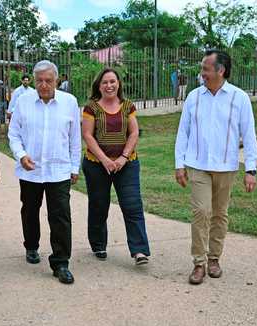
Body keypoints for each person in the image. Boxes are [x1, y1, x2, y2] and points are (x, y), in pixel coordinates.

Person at [174, 50, 257, 285]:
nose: (201, 73)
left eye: (205, 69)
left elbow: (249, 134)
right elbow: (183, 132)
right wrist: (179, 164)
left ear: (220, 71)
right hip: (198, 164)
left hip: (226, 166)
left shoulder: (239, 97)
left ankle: (214, 258)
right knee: (201, 211)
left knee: (220, 214)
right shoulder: (193, 97)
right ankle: (199, 262)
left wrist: (251, 170)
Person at [8, 60, 81, 285]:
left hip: (58, 169)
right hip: (31, 169)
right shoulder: (22, 101)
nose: (43, 85)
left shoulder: (69, 102)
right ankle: (31, 246)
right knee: (30, 210)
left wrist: (74, 167)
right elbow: (14, 134)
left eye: (48, 80)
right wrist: (21, 155)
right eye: (39, 80)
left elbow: (74, 138)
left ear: (56, 80)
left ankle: (61, 262)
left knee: (60, 216)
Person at [82, 68, 151, 265]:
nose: (109, 85)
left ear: (118, 84)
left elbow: (134, 133)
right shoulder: (91, 108)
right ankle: (98, 245)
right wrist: (104, 159)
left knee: (132, 206)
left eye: (112, 81)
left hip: (126, 165)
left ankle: (139, 251)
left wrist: (122, 158)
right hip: (97, 165)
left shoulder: (128, 106)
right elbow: (87, 135)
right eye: (105, 82)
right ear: (99, 85)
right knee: (99, 206)